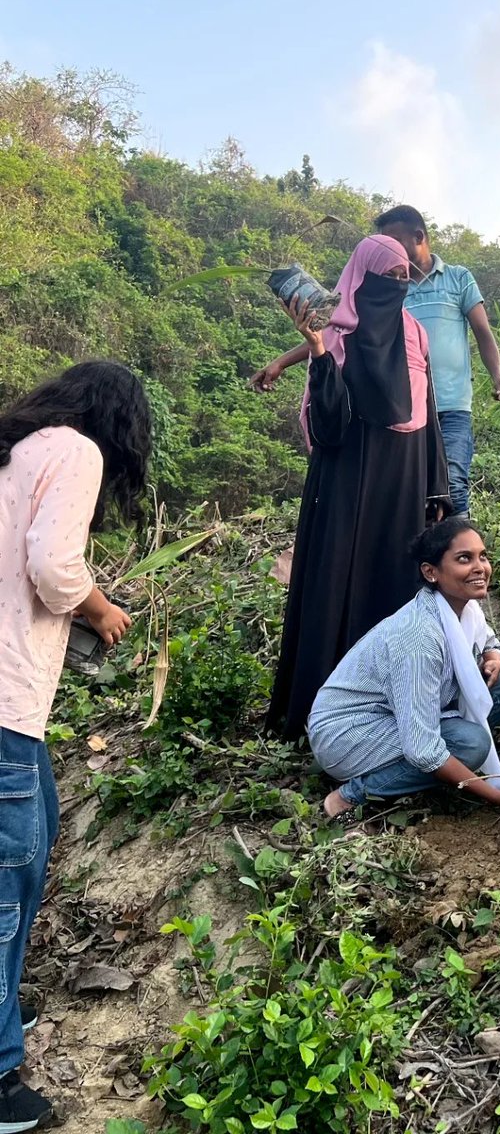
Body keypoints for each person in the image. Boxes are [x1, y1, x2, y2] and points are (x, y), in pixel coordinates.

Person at [0, 361, 151, 1131]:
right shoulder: (76, 450)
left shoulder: (16, 450)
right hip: (4, 700)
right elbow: (54, 566)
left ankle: (3, 999)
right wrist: (98, 607)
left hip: (13, 711)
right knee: (6, 874)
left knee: (41, 829)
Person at [265, 235, 450, 743]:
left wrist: (437, 489)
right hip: (350, 478)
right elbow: (330, 428)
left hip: (406, 479)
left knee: (392, 584)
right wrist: (319, 352)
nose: (394, 286)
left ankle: (389, 710)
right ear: (361, 277)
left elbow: (427, 410)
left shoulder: (415, 333)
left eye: (402, 278)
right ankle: (322, 715)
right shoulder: (338, 330)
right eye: (384, 276)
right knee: (339, 583)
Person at [251, 206, 500, 516]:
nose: (389, 251)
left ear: (419, 237)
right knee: (409, 495)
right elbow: (341, 331)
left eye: (396, 242)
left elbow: (482, 332)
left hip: (450, 405)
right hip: (396, 407)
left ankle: (461, 559)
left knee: (450, 487)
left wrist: (497, 375)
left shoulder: (457, 279)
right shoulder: (381, 285)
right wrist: (283, 360)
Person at [309, 518, 500, 832]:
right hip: (348, 731)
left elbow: (486, 638)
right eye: (464, 558)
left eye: (482, 556)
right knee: (470, 746)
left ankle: (436, 773)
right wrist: (496, 797)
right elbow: (423, 749)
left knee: (499, 690)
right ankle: (348, 796)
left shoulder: (463, 607)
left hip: (392, 714)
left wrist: (493, 654)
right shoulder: (418, 638)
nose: (480, 567)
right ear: (431, 572)